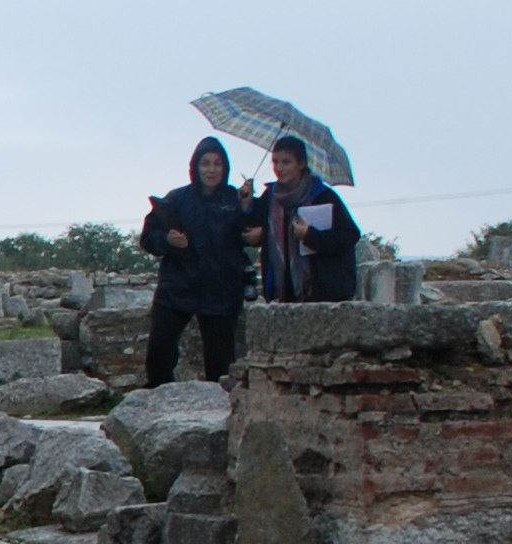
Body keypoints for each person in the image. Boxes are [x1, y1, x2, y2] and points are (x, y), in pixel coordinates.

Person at [136, 137, 256, 383]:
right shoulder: (177, 199)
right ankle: (157, 407)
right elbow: (148, 237)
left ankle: (221, 414)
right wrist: (168, 240)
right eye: (205, 163)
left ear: (225, 168)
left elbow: (250, 237)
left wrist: (247, 208)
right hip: (177, 286)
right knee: (159, 353)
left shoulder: (235, 200)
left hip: (221, 289)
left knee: (220, 363)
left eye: (217, 164)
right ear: (195, 166)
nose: (211, 170)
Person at [258, 133, 363, 302]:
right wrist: (246, 203)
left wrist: (310, 235)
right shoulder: (271, 196)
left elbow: (350, 234)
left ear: (302, 163)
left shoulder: (322, 196)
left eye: (286, 162)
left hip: (320, 288)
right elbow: (252, 224)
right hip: (283, 290)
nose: (279, 168)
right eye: (275, 162)